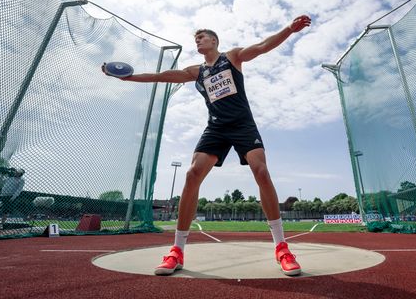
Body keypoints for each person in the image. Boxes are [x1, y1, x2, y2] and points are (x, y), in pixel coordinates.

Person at [103, 15, 311, 276]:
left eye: (201, 37)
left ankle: (282, 247)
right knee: (192, 174)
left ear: (214, 41)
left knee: (261, 171)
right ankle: (176, 251)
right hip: (216, 128)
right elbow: (163, 76)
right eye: (196, 39)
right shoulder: (196, 71)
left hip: (243, 125)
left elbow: (263, 46)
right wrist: (130, 78)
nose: (198, 41)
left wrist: (289, 30)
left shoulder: (233, 57)